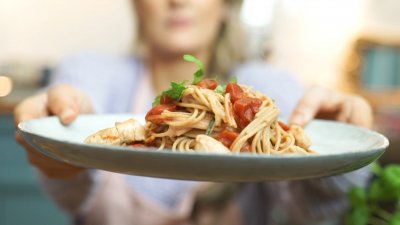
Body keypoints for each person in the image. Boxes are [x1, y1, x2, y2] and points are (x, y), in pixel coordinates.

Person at [14, 0, 373, 224]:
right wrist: (59, 140)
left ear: (226, 5)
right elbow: (72, 190)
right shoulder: (93, 72)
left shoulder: (264, 82)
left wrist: (336, 150)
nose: (178, 1)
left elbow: (311, 210)